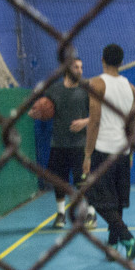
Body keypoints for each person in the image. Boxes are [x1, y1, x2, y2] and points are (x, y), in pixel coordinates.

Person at [80, 44, 135, 262]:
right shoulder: (130, 87)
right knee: (116, 201)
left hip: (103, 150)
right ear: (122, 62)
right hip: (123, 151)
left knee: (95, 198)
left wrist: (87, 154)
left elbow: (94, 121)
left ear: (102, 59)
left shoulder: (96, 84)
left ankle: (128, 239)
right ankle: (113, 245)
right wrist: (131, 151)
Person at [37, 54, 97, 230]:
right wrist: (38, 112)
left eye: (81, 67)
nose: (80, 70)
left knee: (84, 182)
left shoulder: (86, 89)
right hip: (58, 144)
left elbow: (98, 114)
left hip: (80, 145)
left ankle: (91, 213)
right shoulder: (54, 90)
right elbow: (45, 110)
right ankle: (61, 214)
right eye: (76, 67)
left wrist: (84, 121)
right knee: (59, 181)